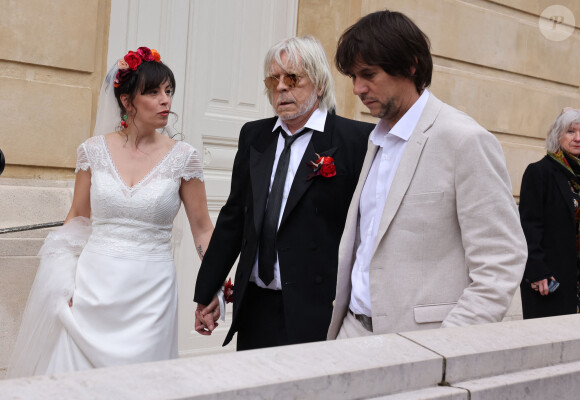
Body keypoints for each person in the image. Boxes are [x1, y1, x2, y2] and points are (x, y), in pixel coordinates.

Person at [7, 47, 213, 377]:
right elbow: (76, 216)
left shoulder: (184, 158)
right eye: (153, 92)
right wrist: (62, 281)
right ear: (127, 101)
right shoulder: (92, 151)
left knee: (141, 383)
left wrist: (214, 284)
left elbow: (203, 229)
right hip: (91, 289)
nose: (166, 101)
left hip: (152, 295)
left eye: (169, 91)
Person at [326, 10, 528, 339]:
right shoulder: (375, 140)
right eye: (352, 77)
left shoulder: (464, 140)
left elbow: (501, 260)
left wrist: (447, 344)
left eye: (368, 74)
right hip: (350, 331)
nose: (357, 89)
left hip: (424, 344)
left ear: (410, 65)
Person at [193, 36, 373, 350]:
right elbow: (235, 218)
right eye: (273, 79)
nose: (281, 88)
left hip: (317, 310)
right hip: (254, 307)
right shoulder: (254, 135)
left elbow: (366, 230)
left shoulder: (354, 140)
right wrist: (209, 290)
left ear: (318, 83)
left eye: (292, 78)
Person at [519, 107, 580, 319]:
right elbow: (529, 226)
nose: (577, 138)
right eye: (571, 132)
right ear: (557, 135)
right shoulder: (539, 172)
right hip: (552, 279)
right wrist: (536, 270)